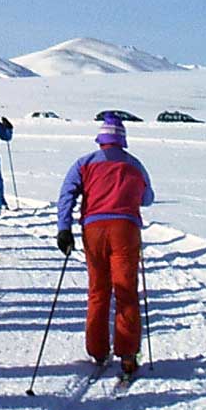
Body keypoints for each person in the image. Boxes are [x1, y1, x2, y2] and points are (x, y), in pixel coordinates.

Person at [57, 113, 154, 375]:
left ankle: (98, 351)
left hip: (94, 229)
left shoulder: (83, 163)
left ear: (101, 140)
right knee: (126, 291)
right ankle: (127, 353)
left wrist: (63, 228)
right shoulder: (135, 164)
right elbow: (147, 197)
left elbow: (67, 194)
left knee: (98, 290)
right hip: (126, 229)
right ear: (122, 141)